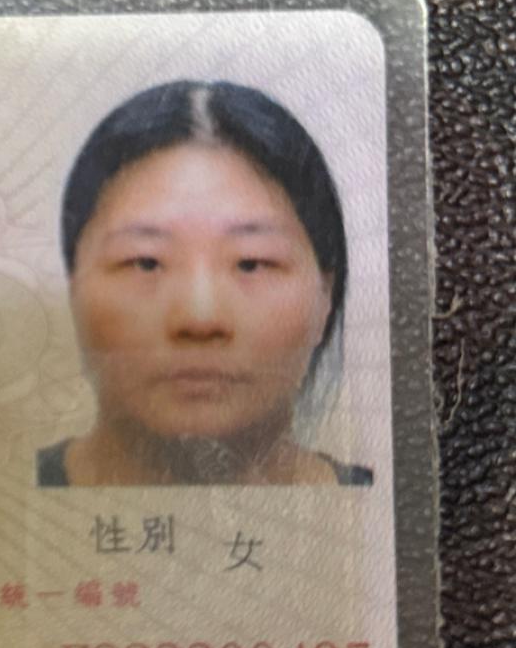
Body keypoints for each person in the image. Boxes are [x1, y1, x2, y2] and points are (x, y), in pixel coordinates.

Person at [37, 80, 372, 487]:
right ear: (73, 291)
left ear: (325, 296)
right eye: (145, 263)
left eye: (251, 263)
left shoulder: (376, 507)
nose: (199, 318)